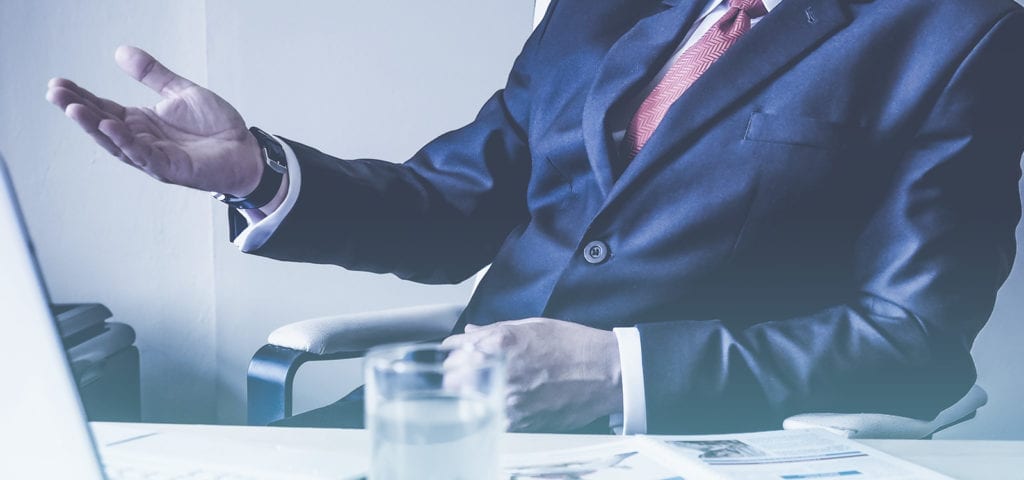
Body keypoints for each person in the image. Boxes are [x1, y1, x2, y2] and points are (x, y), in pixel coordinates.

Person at [46, 0, 1024, 434]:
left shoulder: (962, 32)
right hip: (454, 423)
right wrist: (258, 170)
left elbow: (913, 338)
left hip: (685, 439)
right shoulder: (596, 10)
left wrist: (617, 376)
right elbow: (451, 208)